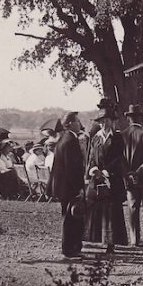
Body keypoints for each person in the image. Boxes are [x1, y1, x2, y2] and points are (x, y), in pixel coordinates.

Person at [87, 106, 126, 251]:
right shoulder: (96, 138)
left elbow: (118, 158)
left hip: (112, 179)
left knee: (112, 211)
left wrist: (106, 171)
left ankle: (112, 242)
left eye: (106, 121)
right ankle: (100, 240)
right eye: (101, 121)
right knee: (98, 211)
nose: (103, 123)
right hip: (97, 179)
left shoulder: (117, 137)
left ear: (111, 121)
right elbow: (91, 157)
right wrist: (94, 169)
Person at [49, 111, 86, 258]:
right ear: (70, 123)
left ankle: (70, 247)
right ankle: (70, 249)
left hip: (63, 186)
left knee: (68, 217)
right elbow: (72, 168)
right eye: (77, 121)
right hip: (70, 187)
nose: (80, 124)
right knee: (71, 218)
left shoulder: (64, 139)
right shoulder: (70, 141)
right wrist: (78, 188)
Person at [120, 105, 143, 247]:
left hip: (130, 180)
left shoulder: (122, 136)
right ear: (141, 118)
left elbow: (121, 160)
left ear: (129, 118)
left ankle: (134, 240)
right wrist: (139, 172)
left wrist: (129, 174)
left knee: (133, 209)